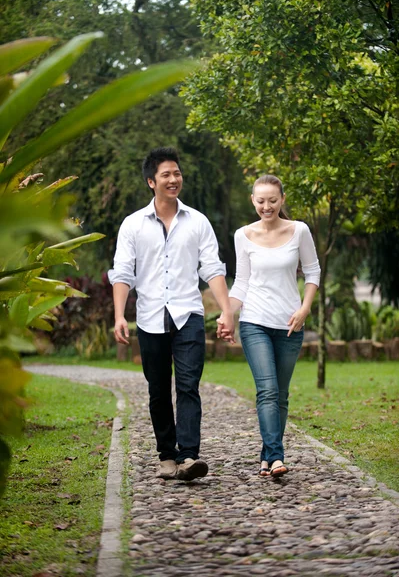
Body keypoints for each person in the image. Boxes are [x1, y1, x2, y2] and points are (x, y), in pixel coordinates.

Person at [108, 147, 235, 481]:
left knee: (189, 385)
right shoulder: (133, 225)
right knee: (158, 390)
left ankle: (189, 456)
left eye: (177, 173)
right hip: (150, 316)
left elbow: (213, 268)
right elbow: (122, 272)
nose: (173, 179)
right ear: (151, 181)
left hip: (188, 314)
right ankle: (167, 455)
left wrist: (226, 311)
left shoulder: (198, 222)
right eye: (166, 174)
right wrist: (120, 315)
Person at [218, 174, 320, 477]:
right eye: (260, 201)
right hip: (255, 322)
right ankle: (276, 457)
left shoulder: (299, 230)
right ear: (253, 200)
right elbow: (243, 282)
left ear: (282, 200)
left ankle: (266, 456)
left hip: (290, 324)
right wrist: (227, 313)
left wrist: (304, 308)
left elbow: (313, 271)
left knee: (281, 394)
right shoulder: (243, 235)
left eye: (272, 201)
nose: (266, 206)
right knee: (268, 391)